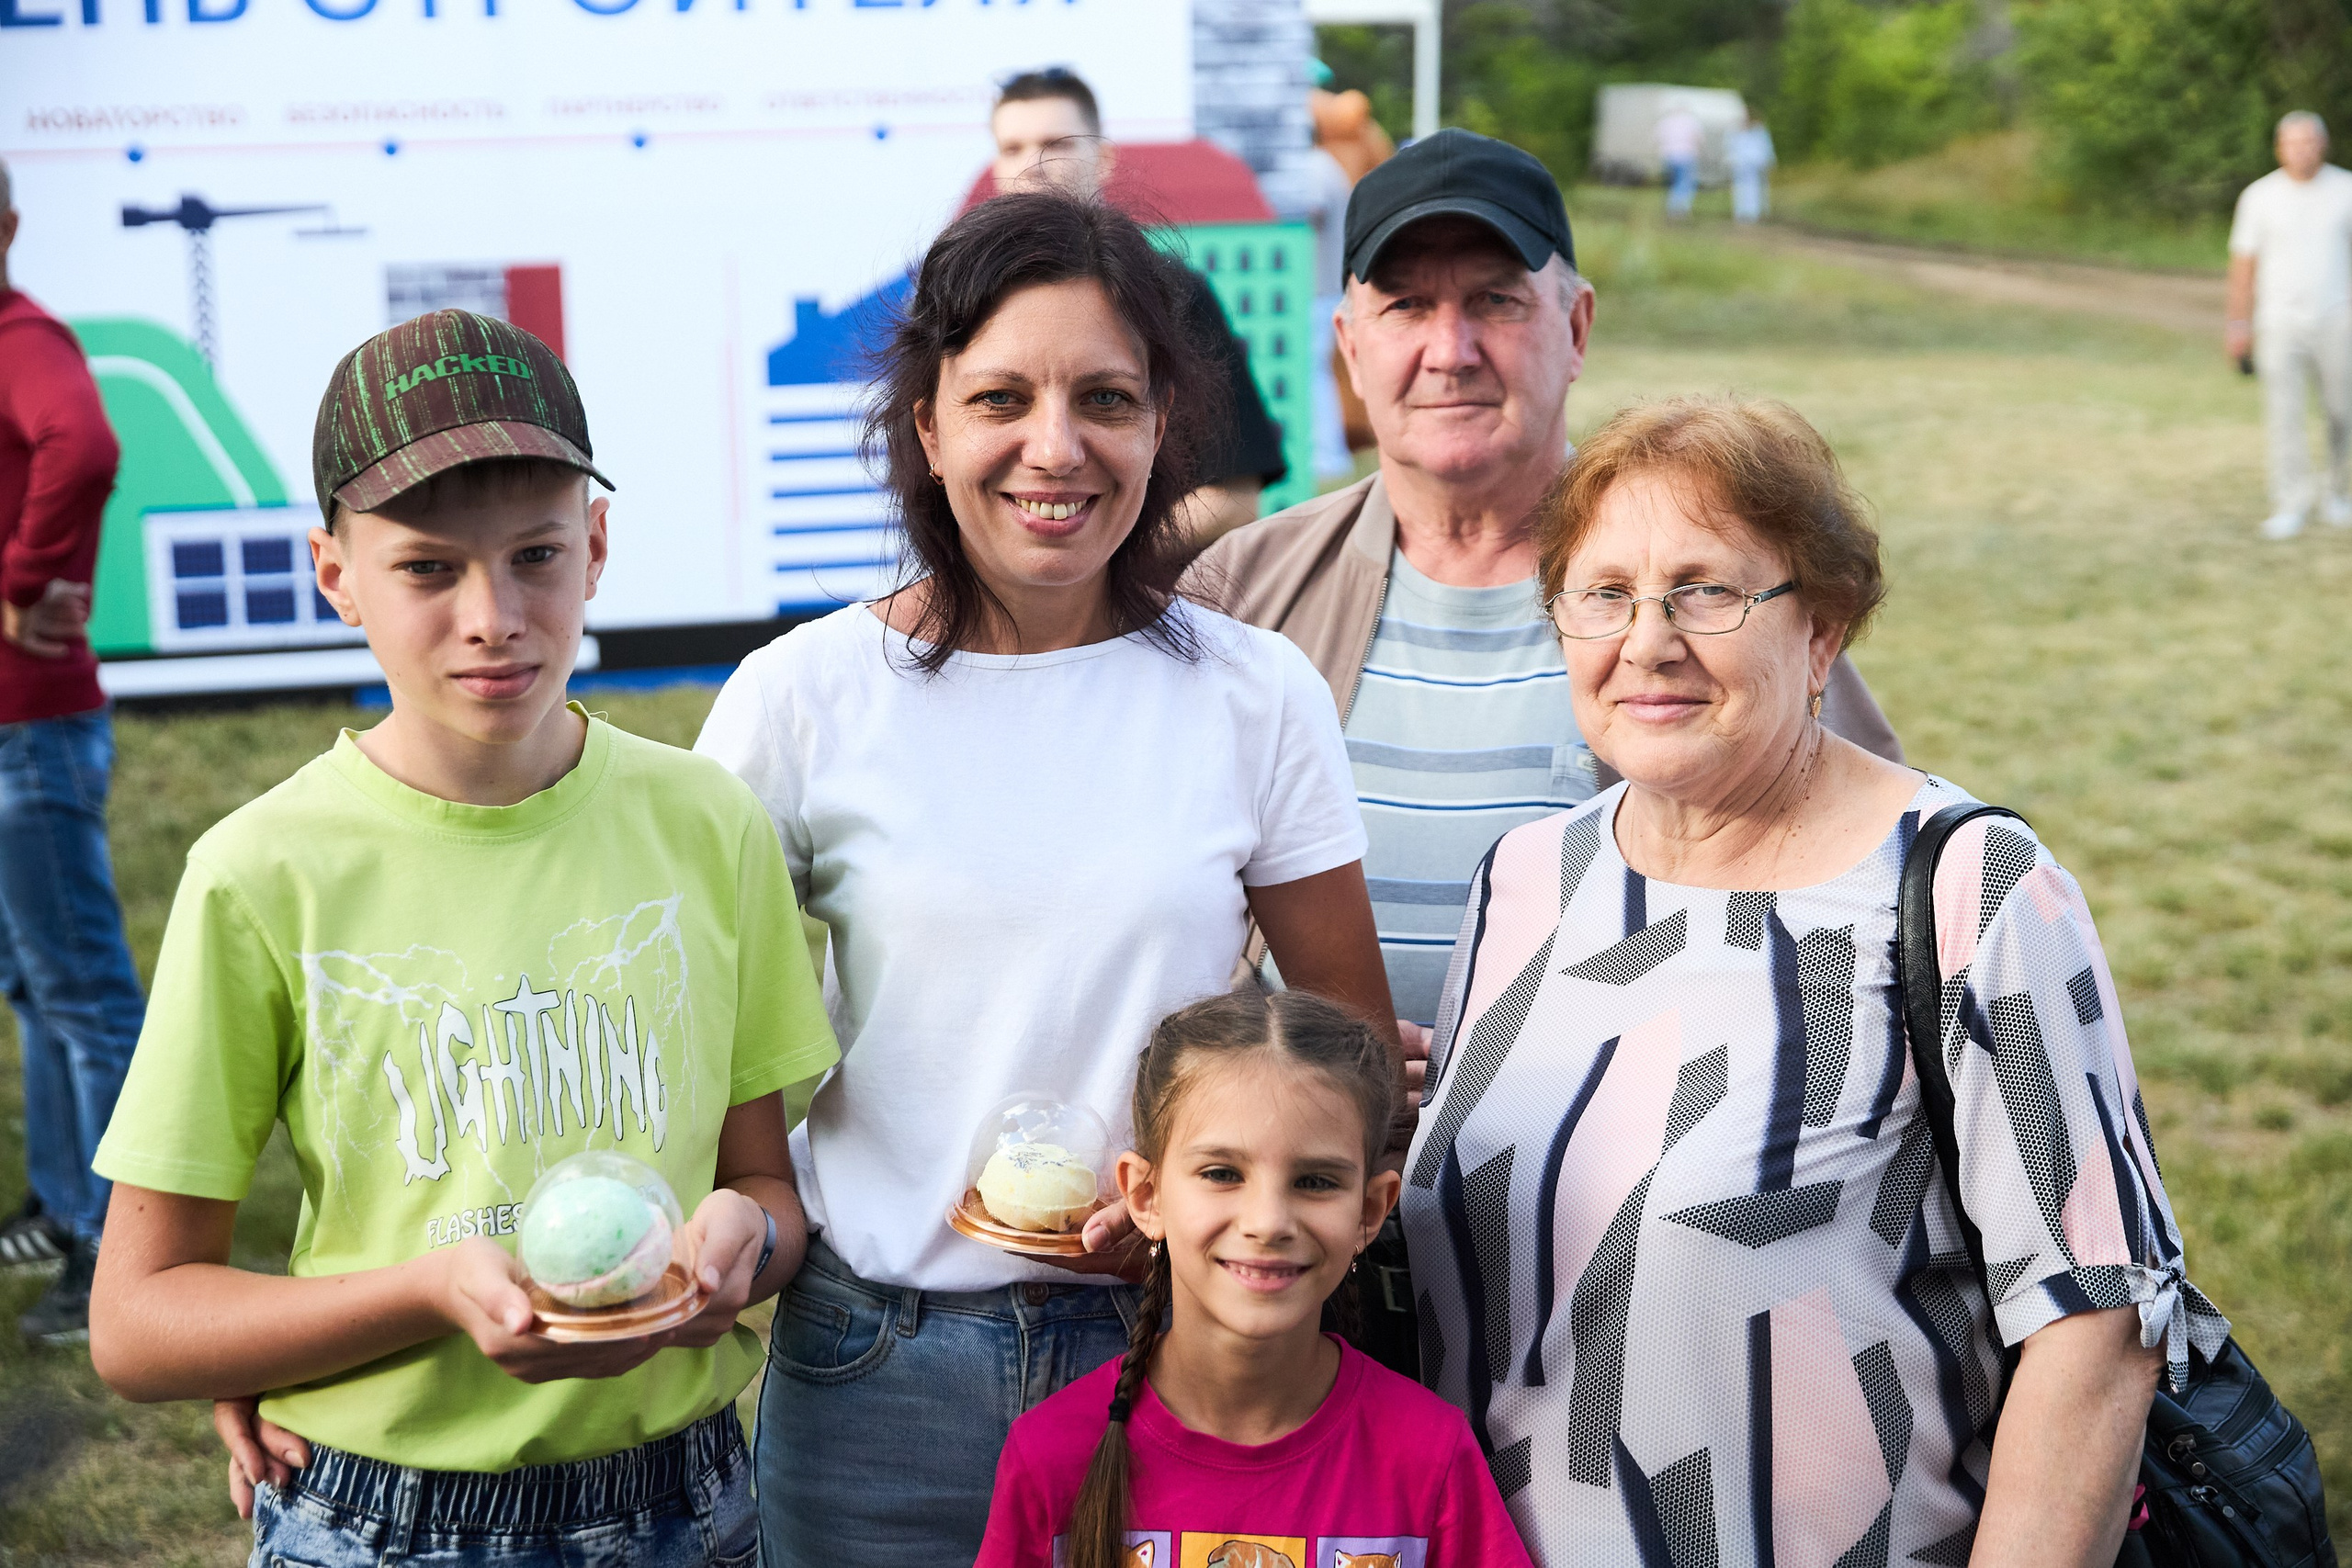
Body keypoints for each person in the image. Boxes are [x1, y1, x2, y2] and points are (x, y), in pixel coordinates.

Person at [1402, 395, 2229, 1567]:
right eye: (1602, 593)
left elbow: (2097, 1331)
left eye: (1707, 590)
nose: (1647, 640)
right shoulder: (1523, 880)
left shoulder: (1971, 889)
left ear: (1823, 629)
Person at [695, 190, 1394, 1568]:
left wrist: (1200, 1217)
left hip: (1172, 1357)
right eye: (1002, 395)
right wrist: (754, 1199)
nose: (1055, 447)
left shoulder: (1254, 694)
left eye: (1107, 398)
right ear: (931, 427)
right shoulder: (802, 698)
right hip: (872, 1367)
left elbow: (1352, 1039)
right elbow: (688, 1016)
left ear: (1160, 426)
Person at [85, 310, 840, 1562]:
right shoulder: (262, 872)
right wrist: (425, 1291)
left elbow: (765, 1189)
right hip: (386, 1512)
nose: (493, 615)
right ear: (336, 573)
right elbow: (140, 1320)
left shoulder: (709, 823)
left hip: (687, 1502)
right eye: (429, 568)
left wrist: (742, 1244)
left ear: (595, 545)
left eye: (535, 553)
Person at [1188, 129, 1902, 1035]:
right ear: (1350, 347)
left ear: (1574, 328)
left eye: (1493, 301)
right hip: (1310, 1161)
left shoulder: (1711, 584)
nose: (1450, 350)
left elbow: (1868, 868)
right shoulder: (1239, 592)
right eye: (1406, 306)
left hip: (1630, 1152)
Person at [975, 988, 1531, 1568]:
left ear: (1370, 1211)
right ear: (1146, 1196)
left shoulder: (1430, 1457)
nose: (1268, 1223)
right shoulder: (1052, 1454)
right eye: (1222, 1173)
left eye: (1315, 1181)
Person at [0, 153, 149, 1346]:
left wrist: (25, 580)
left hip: (30, 729)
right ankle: (63, 1202)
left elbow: (85, 449)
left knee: (86, 992)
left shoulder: (20, 335)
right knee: (36, 984)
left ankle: (118, 1241)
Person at [988, 67, 1288, 554]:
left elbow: (1235, 497)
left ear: (1103, 159)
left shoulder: (1172, 295)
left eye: (1056, 144)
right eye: (1012, 148)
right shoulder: (962, 300)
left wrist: (1097, 559)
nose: (1032, 165)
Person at [2227, 109, 2352, 539]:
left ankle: (2336, 492)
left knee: (2341, 411)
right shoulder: (2259, 197)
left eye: (2309, 142)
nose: (2301, 151)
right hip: (2278, 321)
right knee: (2284, 414)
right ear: (2280, 148)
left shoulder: (2345, 190)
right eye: (2292, 143)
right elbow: (2244, 264)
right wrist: (2237, 324)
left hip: (2337, 317)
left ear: (2323, 144)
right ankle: (2290, 502)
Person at [1656, 104, 1704, 220]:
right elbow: (1699, 138)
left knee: (1673, 183)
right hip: (1687, 155)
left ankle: (1672, 208)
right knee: (1685, 183)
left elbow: (1657, 138)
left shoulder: (1666, 122)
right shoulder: (1691, 121)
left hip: (1669, 156)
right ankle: (1681, 208)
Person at [1728, 111, 1775, 224]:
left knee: (1751, 188)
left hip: (1751, 164)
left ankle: (1750, 213)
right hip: (1743, 164)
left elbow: (1765, 148)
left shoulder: (1758, 132)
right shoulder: (1739, 132)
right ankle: (1744, 213)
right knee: (1744, 188)